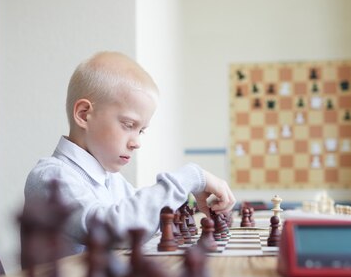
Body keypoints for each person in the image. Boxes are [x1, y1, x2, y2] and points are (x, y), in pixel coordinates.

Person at [24, 51, 235, 251]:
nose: (136, 143)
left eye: (141, 131)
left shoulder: (110, 180)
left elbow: (149, 217)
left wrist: (188, 202)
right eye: (128, 125)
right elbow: (118, 230)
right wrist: (192, 177)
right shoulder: (50, 178)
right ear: (83, 114)